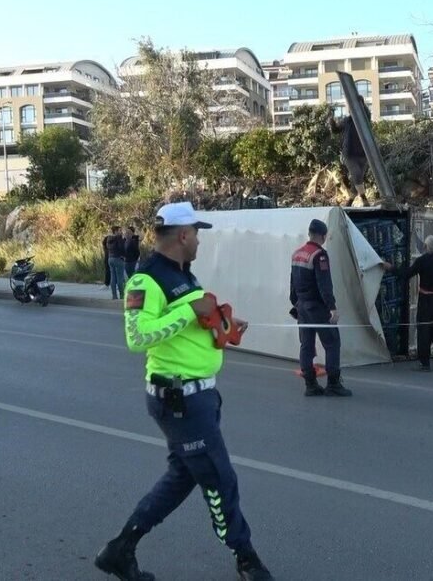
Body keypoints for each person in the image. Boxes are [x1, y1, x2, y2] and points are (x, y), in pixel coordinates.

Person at [95, 201, 273, 581]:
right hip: (179, 399)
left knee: (182, 477)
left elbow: (193, 317)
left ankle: (120, 549)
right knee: (219, 478)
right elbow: (137, 336)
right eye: (198, 234)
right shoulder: (145, 280)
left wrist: (222, 321)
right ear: (183, 235)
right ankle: (246, 558)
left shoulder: (184, 275)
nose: (200, 242)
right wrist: (190, 313)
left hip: (200, 397)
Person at [289, 219, 353, 397]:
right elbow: (324, 284)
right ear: (323, 236)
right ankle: (333, 384)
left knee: (306, 345)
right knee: (332, 343)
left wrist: (295, 303)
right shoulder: (319, 255)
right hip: (317, 307)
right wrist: (332, 307)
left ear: (309, 233)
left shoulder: (297, 254)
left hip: (302, 306)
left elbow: (292, 284)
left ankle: (310, 384)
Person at [389, 235, 433, 371]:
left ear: (425, 246)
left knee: (424, 331)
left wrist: (391, 268)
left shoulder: (421, 261)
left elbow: (406, 274)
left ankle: (425, 363)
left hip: (427, 301)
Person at [327, 96, 371, 207]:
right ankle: (364, 200)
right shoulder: (347, 121)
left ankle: (349, 202)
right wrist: (331, 122)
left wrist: (359, 102)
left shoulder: (365, 118)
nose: (351, 108)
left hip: (363, 154)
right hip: (349, 154)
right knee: (356, 175)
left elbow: (365, 111)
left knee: (358, 179)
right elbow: (336, 130)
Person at [105, 226, 126, 299]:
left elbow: (106, 247)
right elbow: (122, 247)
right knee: (120, 278)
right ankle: (122, 295)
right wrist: (124, 255)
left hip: (110, 258)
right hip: (118, 258)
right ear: (116, 231)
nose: (121, 232)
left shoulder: (108, 238)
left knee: (113, 277)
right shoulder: (119, 238)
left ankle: (114, 295)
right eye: (120, 230)